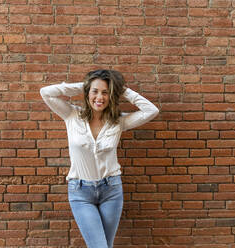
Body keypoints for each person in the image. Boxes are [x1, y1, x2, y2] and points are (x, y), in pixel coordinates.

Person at [40, 69, 159, 248]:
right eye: (95, 92)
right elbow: (46, 93)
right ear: (88, 93)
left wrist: (122, 90)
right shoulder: (72, 115)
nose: (100, 97)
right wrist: (86, 86)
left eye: (105, 92)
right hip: (81, 192)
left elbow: (152, 110)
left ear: (111, 96)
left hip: (111, 190)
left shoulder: (118, 122)